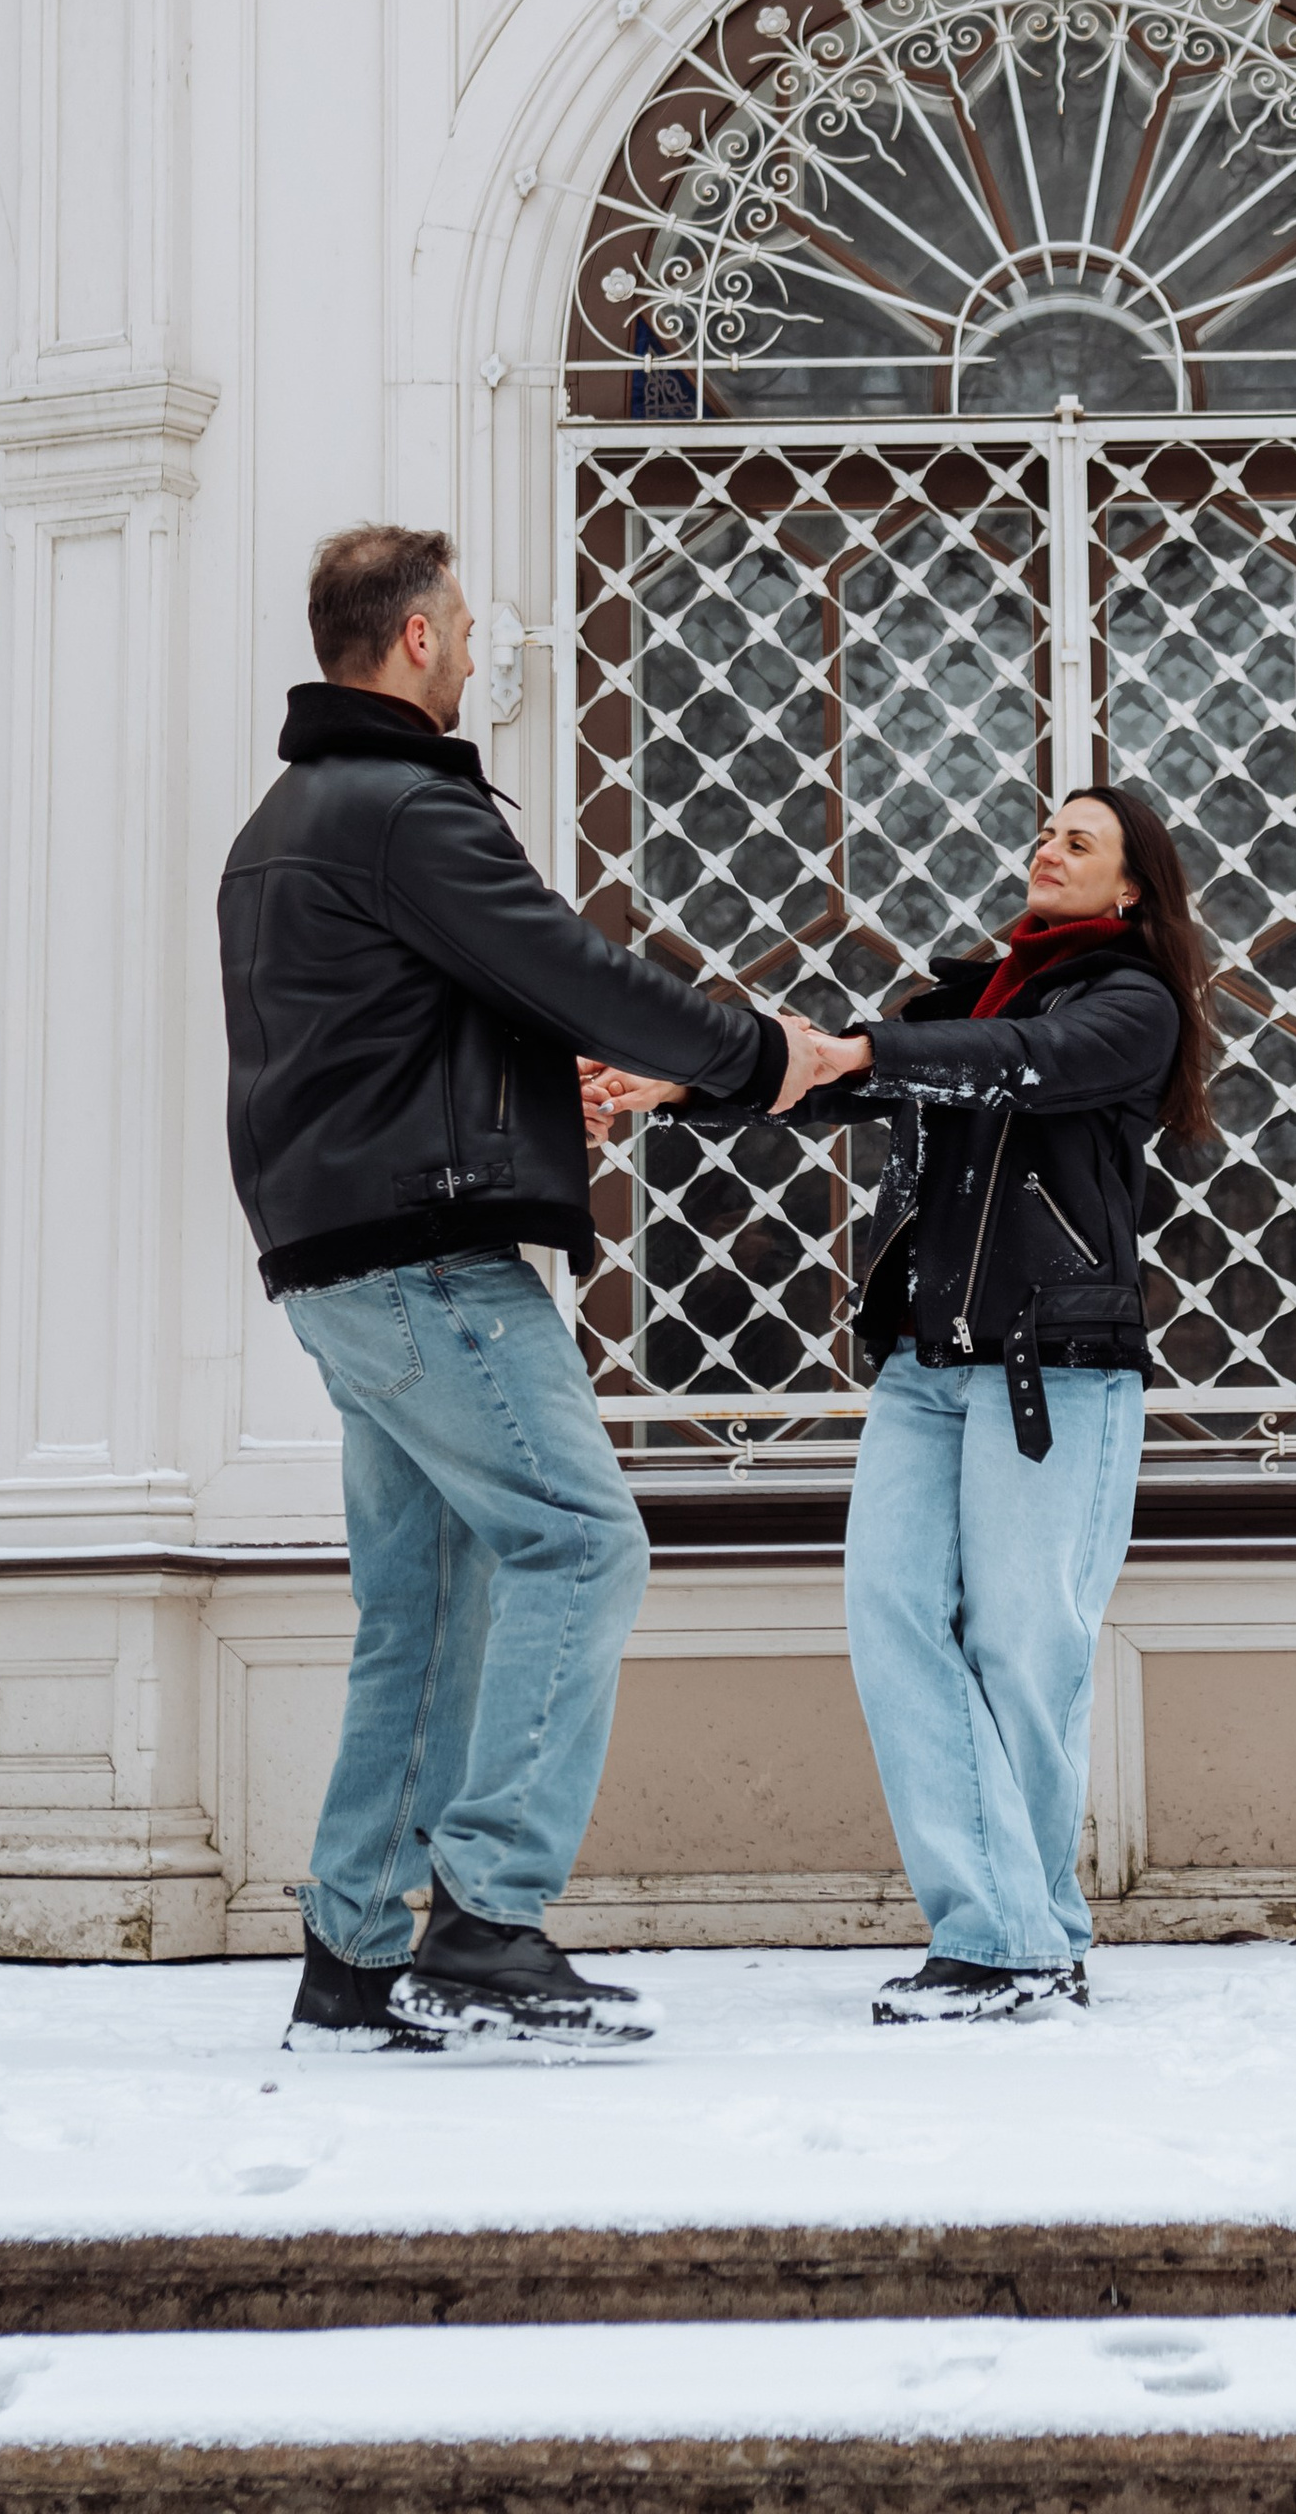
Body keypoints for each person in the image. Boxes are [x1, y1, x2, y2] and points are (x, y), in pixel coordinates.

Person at [217, 523, 848, 2057]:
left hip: (344, 1263)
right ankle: (489, 1925)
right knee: (580, 1544)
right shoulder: (408, 808)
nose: (484, 647)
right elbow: (571, 968)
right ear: (419, 640)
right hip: (429, 1260)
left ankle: (354, 1958)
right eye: (473, 625)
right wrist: (767, 1059)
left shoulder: (288, 818)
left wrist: (515, 1091)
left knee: (424, 1613)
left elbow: (382, 1041)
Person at [585, 785, 1214, 2026]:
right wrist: (679, 1090)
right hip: (929, 1369)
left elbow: (1021, 1069)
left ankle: (1015, 1938)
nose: (1047, 845)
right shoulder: (974, 999)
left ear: (1133, 889)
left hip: (1056, 1371)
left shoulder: (1129, 1005)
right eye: (1042, 828)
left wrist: (865, 1046)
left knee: (1025, 1653)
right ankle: (1013, 1934)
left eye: (1078, 841)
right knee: (891, 1620)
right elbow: (841, 1087)